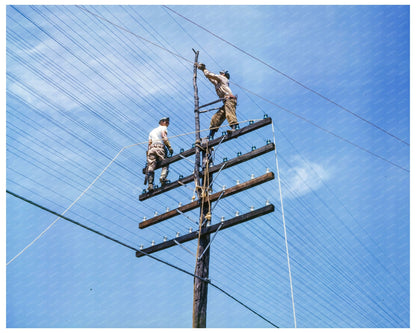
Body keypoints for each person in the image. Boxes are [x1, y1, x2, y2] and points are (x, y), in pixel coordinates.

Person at [197, 63, 238, 139]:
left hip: (229, 99)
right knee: (216, 118)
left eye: (221, 73)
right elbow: (210, 78)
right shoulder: (219, 82)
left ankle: (234, 128)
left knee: (229, 113)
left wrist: (203, 69)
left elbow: (211, 75)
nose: (220, 74)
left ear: (224, 75)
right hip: (226, 101)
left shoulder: (223, 78)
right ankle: (210, 136)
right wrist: (203, 70)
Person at [146, 117, 173, 191]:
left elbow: (149, 143)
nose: (168, 124)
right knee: (165, 162)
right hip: (159, 147)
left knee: (151, 167)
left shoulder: (151, 132)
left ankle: (150, 184)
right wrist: (169, 147)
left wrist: (149, 154)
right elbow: (164, 136)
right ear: (162, 122)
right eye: (166, 122)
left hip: (151, 149)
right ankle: (163, 178)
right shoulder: (163, 128)